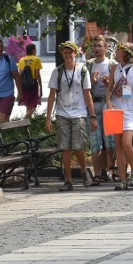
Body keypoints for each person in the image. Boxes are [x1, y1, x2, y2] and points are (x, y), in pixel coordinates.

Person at [45, 41, 96, 191]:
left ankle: (83, 170)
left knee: (78, 147)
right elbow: (52, 95)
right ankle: (68, 181)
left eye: (70, 53)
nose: (67, 55)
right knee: (64, 148)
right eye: (65, 53)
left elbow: (88, 94)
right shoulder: (57, 72)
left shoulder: (82, 71)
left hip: (79, 113)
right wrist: (48, 117)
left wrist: (92, 116)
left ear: (75, 53)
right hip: (62, 113)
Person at [108, 43, 133, 190]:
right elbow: (109, 89)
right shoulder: (115, 68)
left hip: (129, 109)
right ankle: (122, 178)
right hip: (116, 108)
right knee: (118, 145)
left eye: (118, 50)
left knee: (127, 142)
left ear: (126, 52)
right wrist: (108, 102)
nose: (116, 52)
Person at [87, 35, 116, 185]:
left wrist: (107, 84)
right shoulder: (89, 64)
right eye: (95, 46)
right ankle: (97, 173)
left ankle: (110, 169)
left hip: (108, 104)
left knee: (110, 142)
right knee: (96, 142)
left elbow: (117, 88)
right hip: (93, 105)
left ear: (105, 48)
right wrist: (92, 82)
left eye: (99, 46)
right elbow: (84, 89)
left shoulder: (112, 64)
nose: (97, 48)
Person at [0, 39, 22, 123]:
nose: (0, 48)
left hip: (6, 94)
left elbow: (17, 77)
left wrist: (20, 93)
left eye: (1, 46)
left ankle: (5, 136)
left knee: (3, 117)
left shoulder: (9, 59)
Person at [17, 43, 42, 118]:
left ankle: (27, 123)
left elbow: (19, 75)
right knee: (33, 105)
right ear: (32, 50)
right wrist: (41, 87)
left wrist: (19, 90)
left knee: (28, 105)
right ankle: (25, 119)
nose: (36, 51)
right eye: (35, 49)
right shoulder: (36, 59)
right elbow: (37, 75)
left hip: (24, 85)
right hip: (33, 84)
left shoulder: (21, 60)